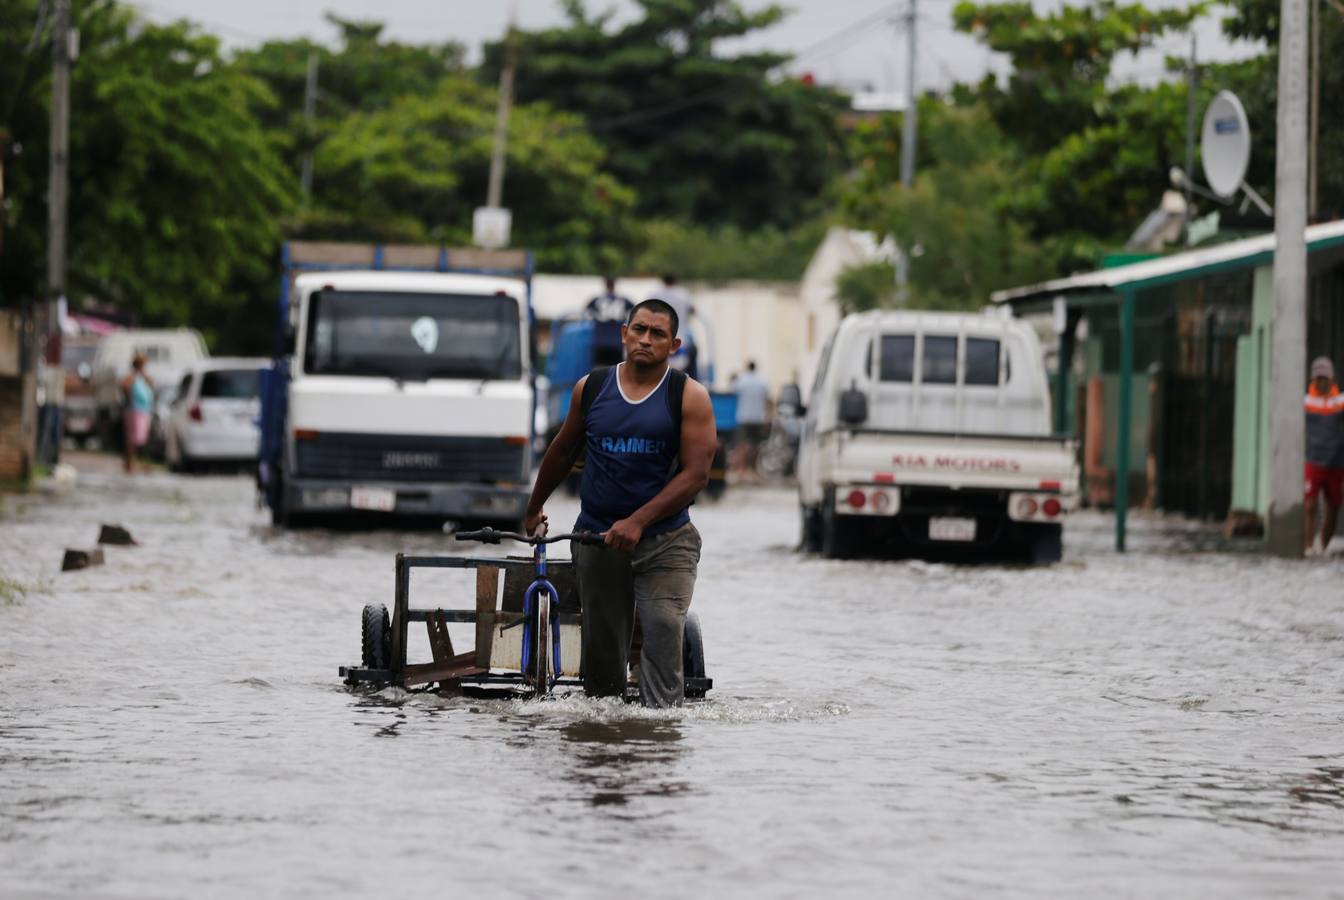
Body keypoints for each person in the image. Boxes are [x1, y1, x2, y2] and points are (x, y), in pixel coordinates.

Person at [525, 299, 717, 707]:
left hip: (666, 540)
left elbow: (696, 475)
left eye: (658, 334)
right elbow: (561, 453)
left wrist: (638, 521)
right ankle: (607, 738)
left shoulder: (689, 396)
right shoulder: (592, 388)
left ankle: (658, 734)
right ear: (624, 333)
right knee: (603, 654)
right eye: (639, 329)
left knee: (664, 628)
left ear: (674, 344)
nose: (646, 340)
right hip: (598, 537)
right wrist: (533, 506)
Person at [1304, 355, 1344, 554]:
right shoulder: (1306, 401)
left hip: (1336, 463)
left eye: (1324, 378)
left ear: (1331, 379)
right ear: (1313, 379)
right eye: (1318, 378)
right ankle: (1309, 546)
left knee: (1334, 506)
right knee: (1309, 504)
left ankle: (1323, 546)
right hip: (1313, 460)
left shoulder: (1340, 401)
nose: (1321, 382)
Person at [731, 360, 771, 481]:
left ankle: (741, 471)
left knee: (742, 445)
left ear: (747, 368)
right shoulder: (763, 381)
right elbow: (768, 399)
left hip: (743, 417)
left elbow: (732, 391)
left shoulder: (742, 380)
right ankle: (754, 470)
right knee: (756, 445)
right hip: (758, 417)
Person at [584, 276, 634, 367]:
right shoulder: (624, 300)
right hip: (617, 342)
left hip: (600, 341)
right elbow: (635, 311)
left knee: (598, 371)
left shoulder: (596, 300)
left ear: (605, 285)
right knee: (616, 371)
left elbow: (586, 314)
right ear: (615, 285)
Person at [657, 274, 698, 380]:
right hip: (679, 337)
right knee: (680, 368)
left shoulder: (655, 294)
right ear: (675, 281)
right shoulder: (683, 294)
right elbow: (693, 310)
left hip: (658, 337)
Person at [119, 353, 154, 474]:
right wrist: (130, 399)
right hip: (135, 409)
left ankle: (134, 462)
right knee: (132, 437)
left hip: (143, 409)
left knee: (139, 438)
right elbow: (124, 385)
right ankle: (129, 463)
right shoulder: (132, 376)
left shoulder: (142, 377)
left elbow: (151, 384)